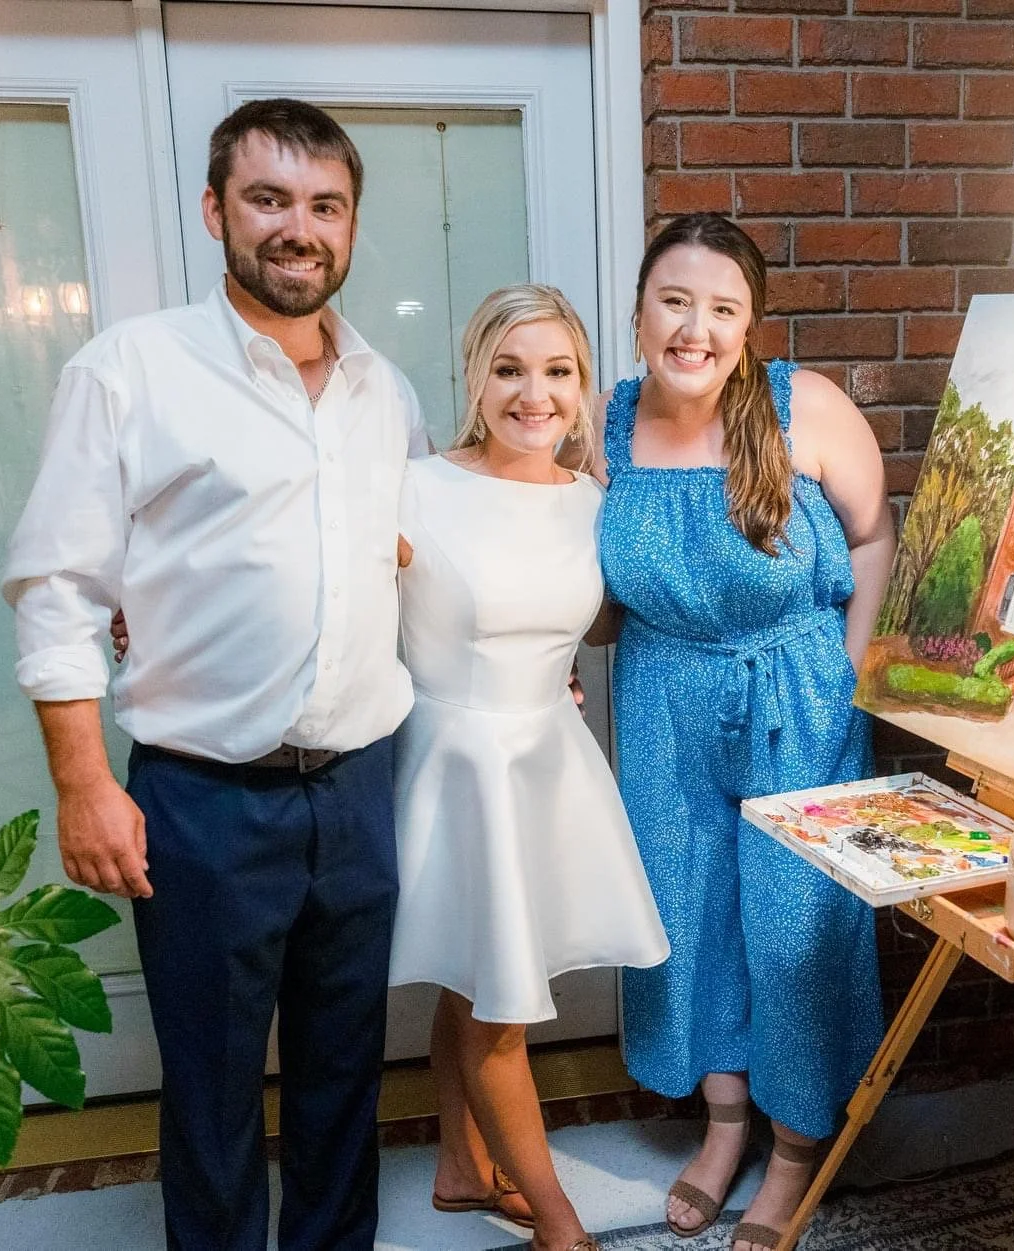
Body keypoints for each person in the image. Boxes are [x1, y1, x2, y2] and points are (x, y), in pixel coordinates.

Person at [3, 99, 422, 1250]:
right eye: (270, 199)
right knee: (213, 1096)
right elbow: (58, 590)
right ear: (214, 210)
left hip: (357, 790)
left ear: (350, 225)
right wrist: (87, 785)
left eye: (325, 205)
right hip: (202, 803)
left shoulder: (386, 391)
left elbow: (407, 555)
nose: (300, 228)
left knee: (347, 1084)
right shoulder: (130, 371)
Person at [597, 213, 895, 1251]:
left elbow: (873, 533)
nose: (696, 328)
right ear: (639, 311)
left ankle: (799, 1144)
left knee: (792, 927)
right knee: (687, 919)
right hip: (663, 702)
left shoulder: (802, 407)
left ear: (751, 323)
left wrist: (850, 676)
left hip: (795, 698)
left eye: (722, 308)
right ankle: (724, 1128)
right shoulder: (610, 425)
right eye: (675, 301)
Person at [388, 285, 668, 1251]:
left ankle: (463, 1168)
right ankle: (559, 1224)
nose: (533, 393)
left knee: (476, 980)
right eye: (509, 368)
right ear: (474, 376)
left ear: (584, 386)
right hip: (456, 760)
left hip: (546, 753)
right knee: (497, 997)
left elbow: (588, 622)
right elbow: (329, 596)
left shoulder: (592, 502)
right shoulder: (416, 486)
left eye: (557, 371)